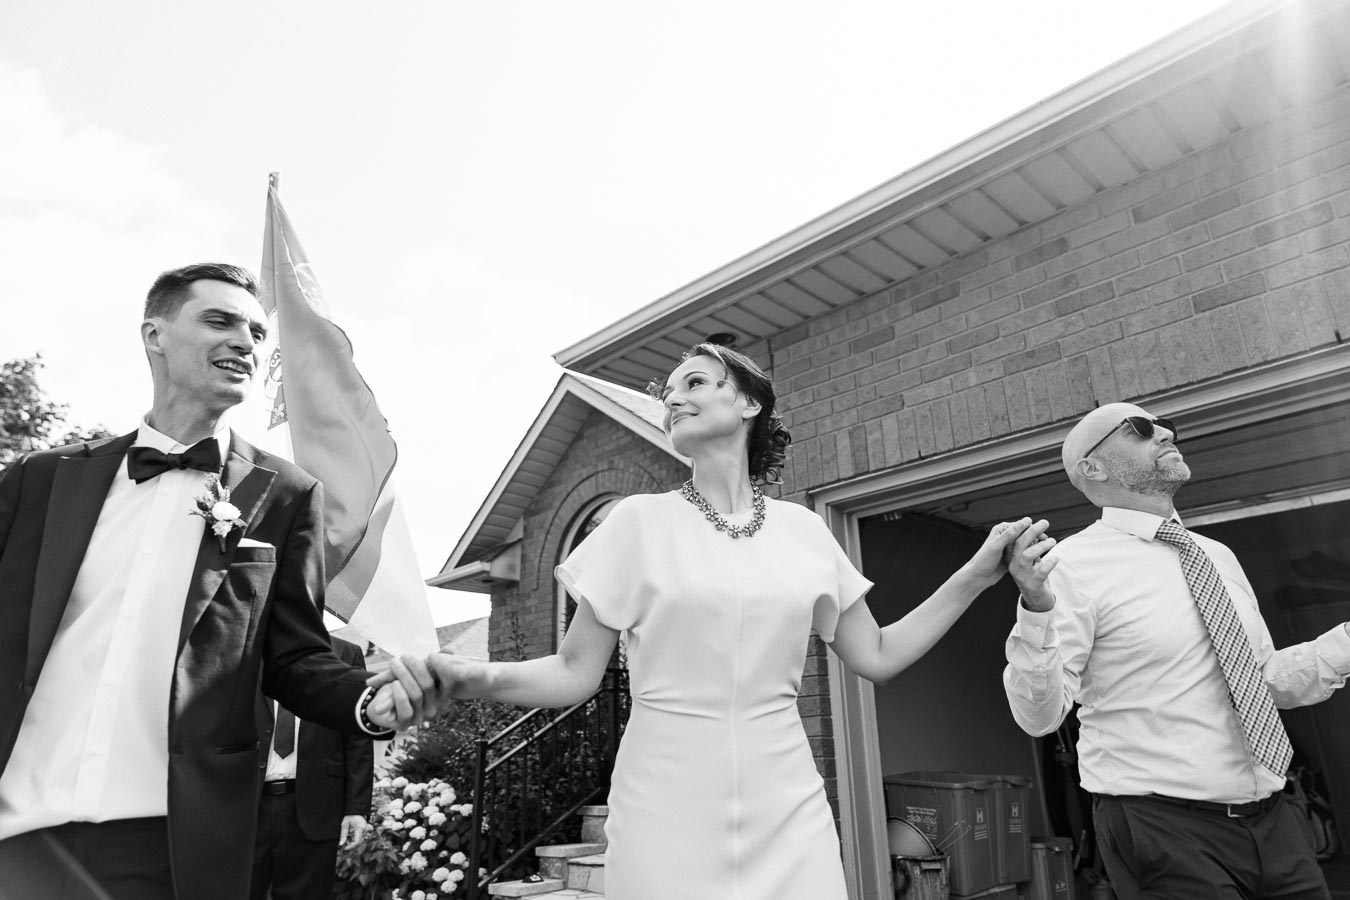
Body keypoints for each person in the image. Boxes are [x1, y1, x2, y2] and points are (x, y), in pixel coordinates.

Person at [424, 343, 1043, 900]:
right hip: (666, 800)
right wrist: (463, 677)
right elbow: (573, 671)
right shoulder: (637, 523)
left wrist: (976, 577)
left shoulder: (803, 531)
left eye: (693, 383)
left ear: (747, 402)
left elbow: (876, 654)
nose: (673, 399)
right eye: (668, 394)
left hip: (786, 799)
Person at [0, 263, 438, 900]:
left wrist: (367, 703)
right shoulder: (39, 480)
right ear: (155, 334)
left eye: (258, 334)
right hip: (16, 832)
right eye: (220, 321)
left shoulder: (285, 493)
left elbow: (296, 657)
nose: (246, 343)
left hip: (170, 842)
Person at [1002, 401, 1350, 900]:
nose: (1164, 431)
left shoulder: (1217, 556)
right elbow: (1039, 717)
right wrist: (1034, 609)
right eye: (1140, 428)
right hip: (1160, 825)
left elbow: (1264, 683)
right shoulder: (1070, 566)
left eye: (1165, 426)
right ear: (1092, 468)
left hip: (1275, 820)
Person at [250, 637, 375, 900]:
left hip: (315, 805)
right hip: (247, 806)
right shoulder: (244, 646)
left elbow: (357, 739)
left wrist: (356, 809)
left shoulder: (344, 653)